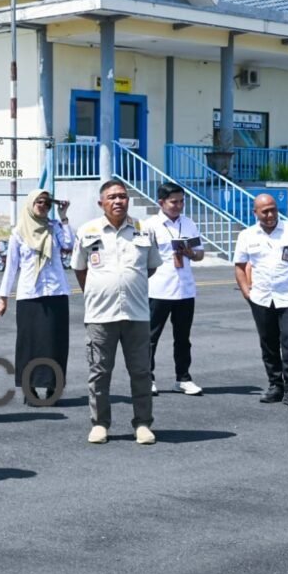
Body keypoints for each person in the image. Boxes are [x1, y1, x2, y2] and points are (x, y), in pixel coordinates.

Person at [71, 179, 161, 446]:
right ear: (101, 203)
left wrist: (128, 283)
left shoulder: (144, 230)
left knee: (141, 371)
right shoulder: (87, 231)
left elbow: (151, 267)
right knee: (99, 372)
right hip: (100, 315)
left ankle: (143, 424)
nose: (118, 201)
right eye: (111, 197)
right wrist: (100, 289)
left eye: (122, 196)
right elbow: (80, 268)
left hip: (136, 314)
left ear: (128, 200)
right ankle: (100, 424)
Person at [233, 193, 288, 409]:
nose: (270, 214)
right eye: (264, 211)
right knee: (268, 342)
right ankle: (275, 385)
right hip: (261, 298)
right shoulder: (247, 235)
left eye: (273, 209)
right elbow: (240, 266)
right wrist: (246, 292)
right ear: (255, 213)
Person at [0, 189, 72, 404]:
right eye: (39, 202)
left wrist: (63, 216)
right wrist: (3, 298)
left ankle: (53, 388)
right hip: (30, 295)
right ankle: (29, 389)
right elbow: (11, 268)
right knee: (30, 345)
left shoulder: (54, 227)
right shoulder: (19, 232)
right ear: (30, 204)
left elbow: (69, 245)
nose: (43, 207)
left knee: (56, 343)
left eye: (47, 203)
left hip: (56, 292)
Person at [145, 182, 205, 396]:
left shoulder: (188, 224)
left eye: (181, 201)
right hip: (158, 288)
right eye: (174, 202)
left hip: (184, 289)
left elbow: (200, 254)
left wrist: (189, 252)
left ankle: (183, 378)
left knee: (183, 337)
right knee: (151, 336)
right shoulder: (149, 225)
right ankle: (147, 377)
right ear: (161, 202)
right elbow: (142, 256)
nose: (178, 206)